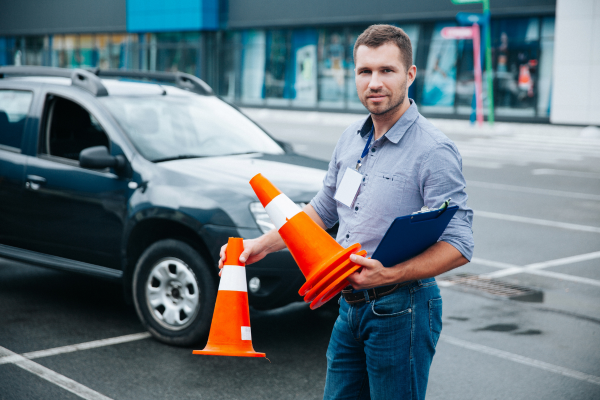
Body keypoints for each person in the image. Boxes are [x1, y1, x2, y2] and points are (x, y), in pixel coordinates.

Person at [219, 24, 474, 400]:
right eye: (365, 71)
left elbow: (460, 243)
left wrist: (390, 273)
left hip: (402, 307)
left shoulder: (434, 150)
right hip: (349, 305)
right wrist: (262, 245)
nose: (374, 82)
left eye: (387, 70)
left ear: (410, 74)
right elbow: (322, 211)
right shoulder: (350, 139)